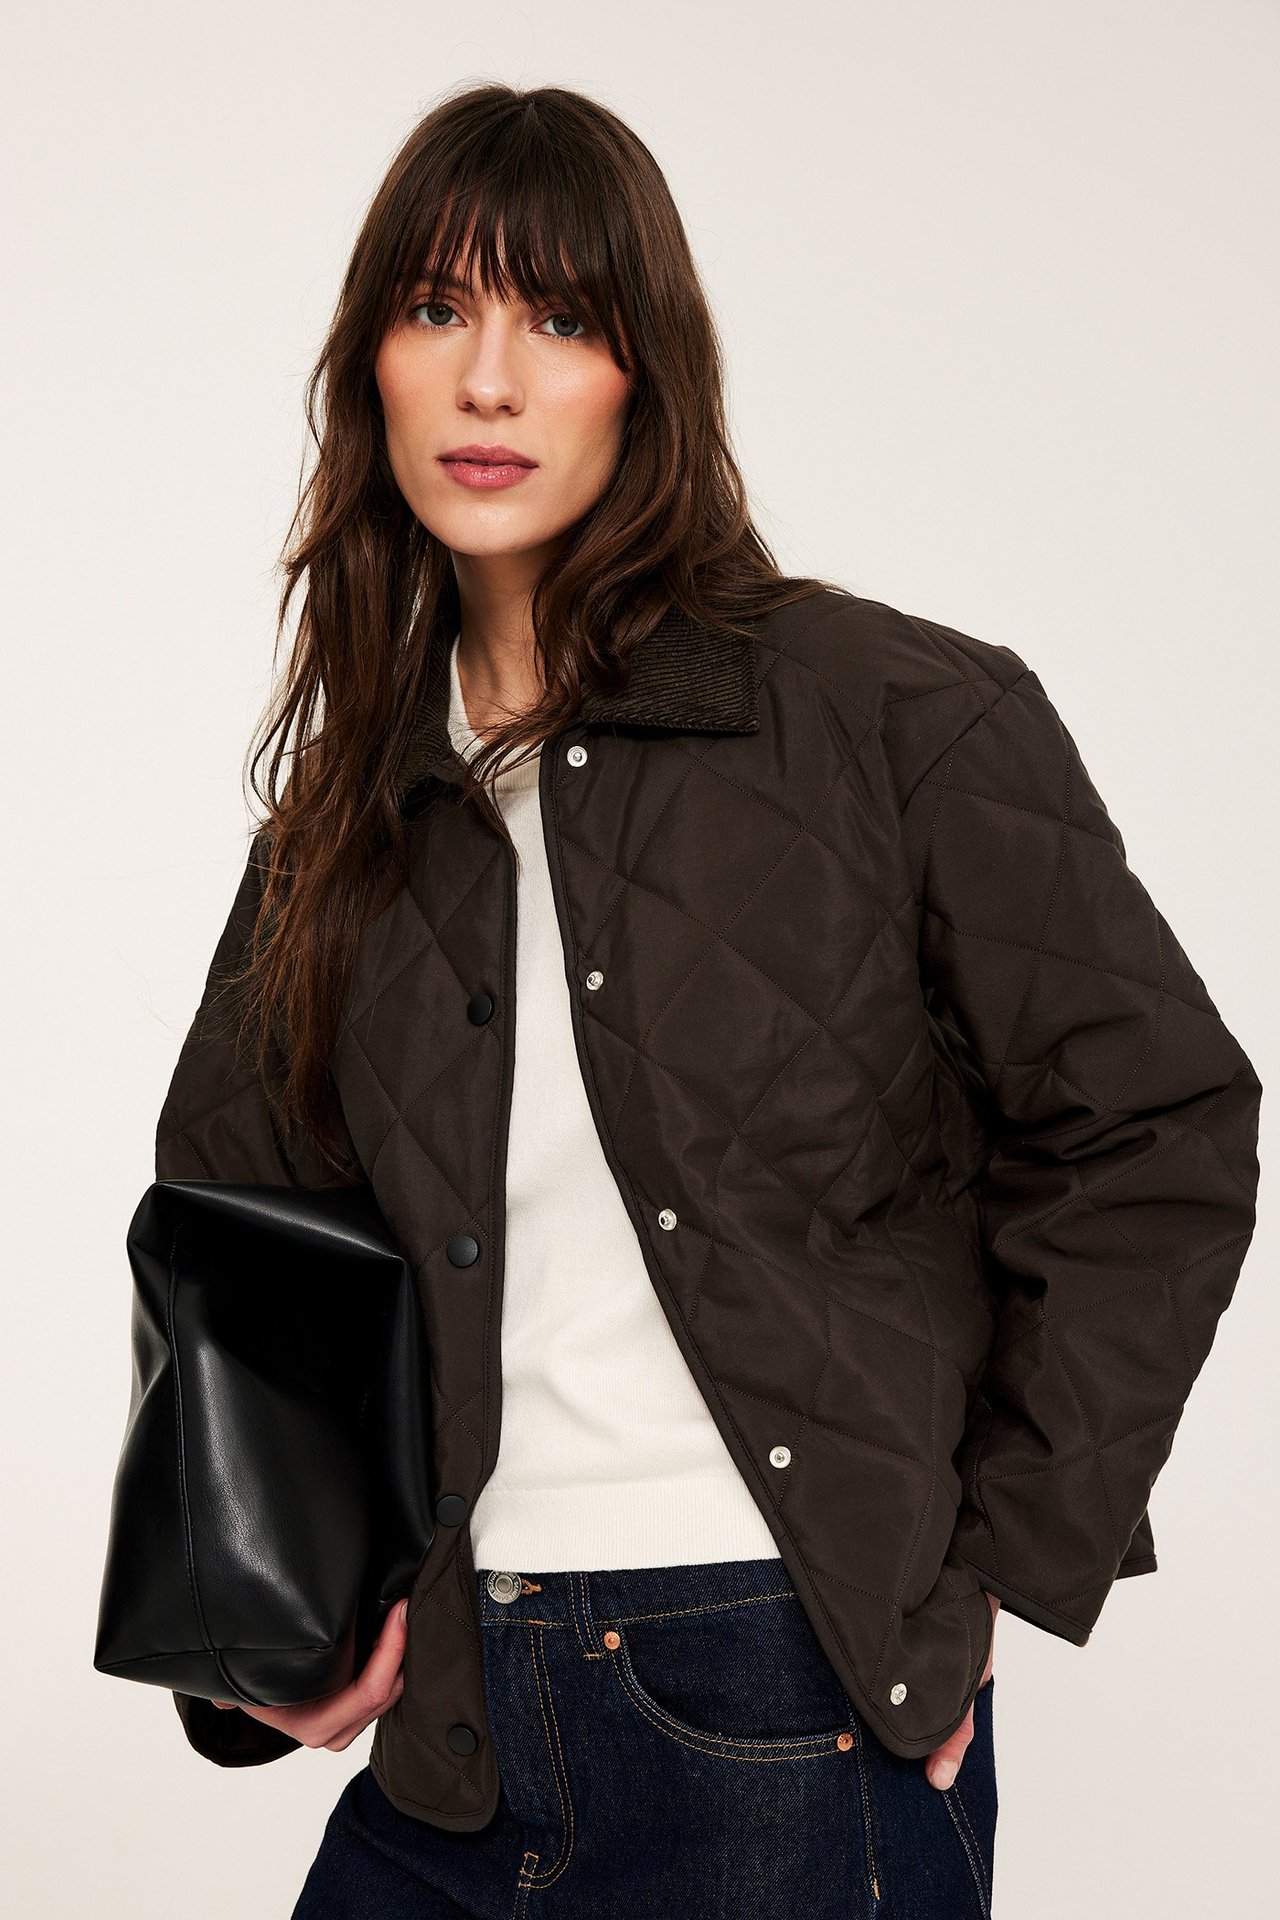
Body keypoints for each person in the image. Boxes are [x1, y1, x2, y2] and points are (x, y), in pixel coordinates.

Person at [150, 83, 1262, 1919]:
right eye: (435, 309)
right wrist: (250, 1638)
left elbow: (1157, 1127)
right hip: (455, 1721)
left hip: (777, 1691)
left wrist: (985, 1570)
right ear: (371, 370)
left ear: (643, 374)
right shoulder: (345, 820)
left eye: (558, 318)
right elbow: (228, 1236)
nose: (489, 380)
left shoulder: (890, 714)